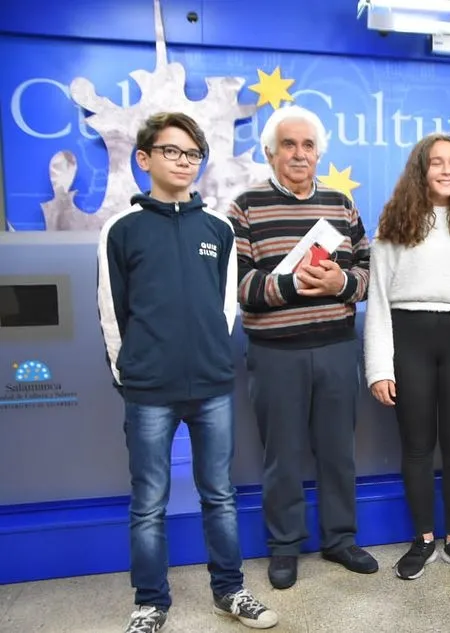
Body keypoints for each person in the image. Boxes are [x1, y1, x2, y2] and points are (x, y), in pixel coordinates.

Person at [97, 112, 277, 633]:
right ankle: (151, 603)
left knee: (219, 494)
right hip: (148, 390)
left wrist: (210, 358)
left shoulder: (217, 228)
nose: (183, 162)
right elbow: (112, 312)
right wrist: (127, 374)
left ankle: (230, 591)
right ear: (145, 158)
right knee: (148, 502)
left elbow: (225, 309)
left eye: (192, 154)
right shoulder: (120, 229)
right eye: (172, 151)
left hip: (212, 387)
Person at [228, 105, 378, 590]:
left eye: (308, 145)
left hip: (336, 348)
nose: (299, 154)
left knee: (339, 452)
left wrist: (340, 282)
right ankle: (285, 547)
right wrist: (291, 286)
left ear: (319, 153)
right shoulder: (244, 206)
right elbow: (238, 284)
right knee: (283, 455)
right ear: (270, 153)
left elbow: (370, 273)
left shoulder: (341, 203)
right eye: (288, 145)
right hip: (275, 354)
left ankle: (340, 539)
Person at [364, 133, 450, 580]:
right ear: (420, 169)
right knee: (418, 446)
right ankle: (423, 538)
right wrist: (379, 368)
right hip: (409, 339)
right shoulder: (393, 228)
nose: (447, 171)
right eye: (437, 163)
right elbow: (380, 304)